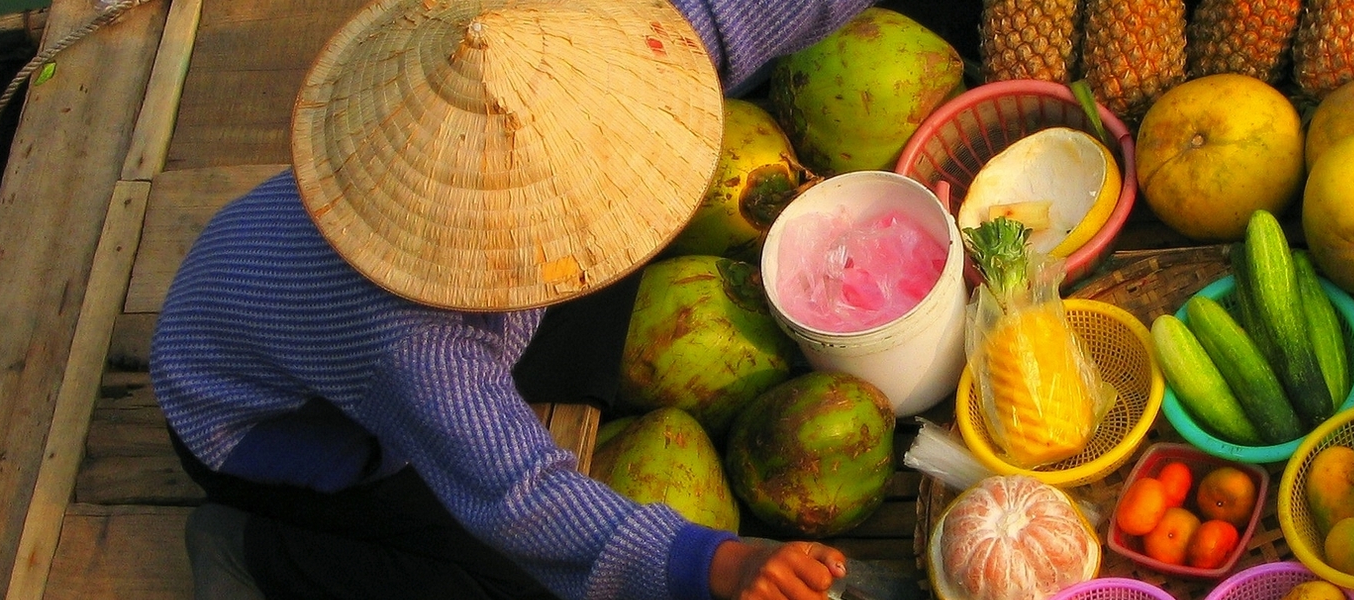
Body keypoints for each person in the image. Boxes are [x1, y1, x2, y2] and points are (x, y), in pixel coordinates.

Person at [149, 0, 875, 598]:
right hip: (285, 431)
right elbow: (522, 498)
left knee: (624, 267)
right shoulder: (417, 347)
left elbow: (714, 28)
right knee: (511, 581)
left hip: (303, 318)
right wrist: (718, 562)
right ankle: (253, 550)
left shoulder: (550, 83)